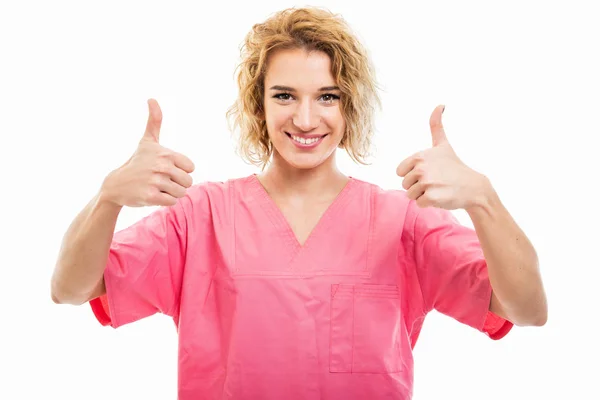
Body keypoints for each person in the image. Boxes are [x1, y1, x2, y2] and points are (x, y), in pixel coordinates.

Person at [50, 6, 547, 400]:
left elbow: (525, 309)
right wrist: (108, 196)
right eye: (284, 96)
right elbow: (71, 288)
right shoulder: (200, 218)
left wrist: (483, 198)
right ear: (258, 106)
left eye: (327, 96)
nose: (306, 119)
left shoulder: (403, 222)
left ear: (349, 106)